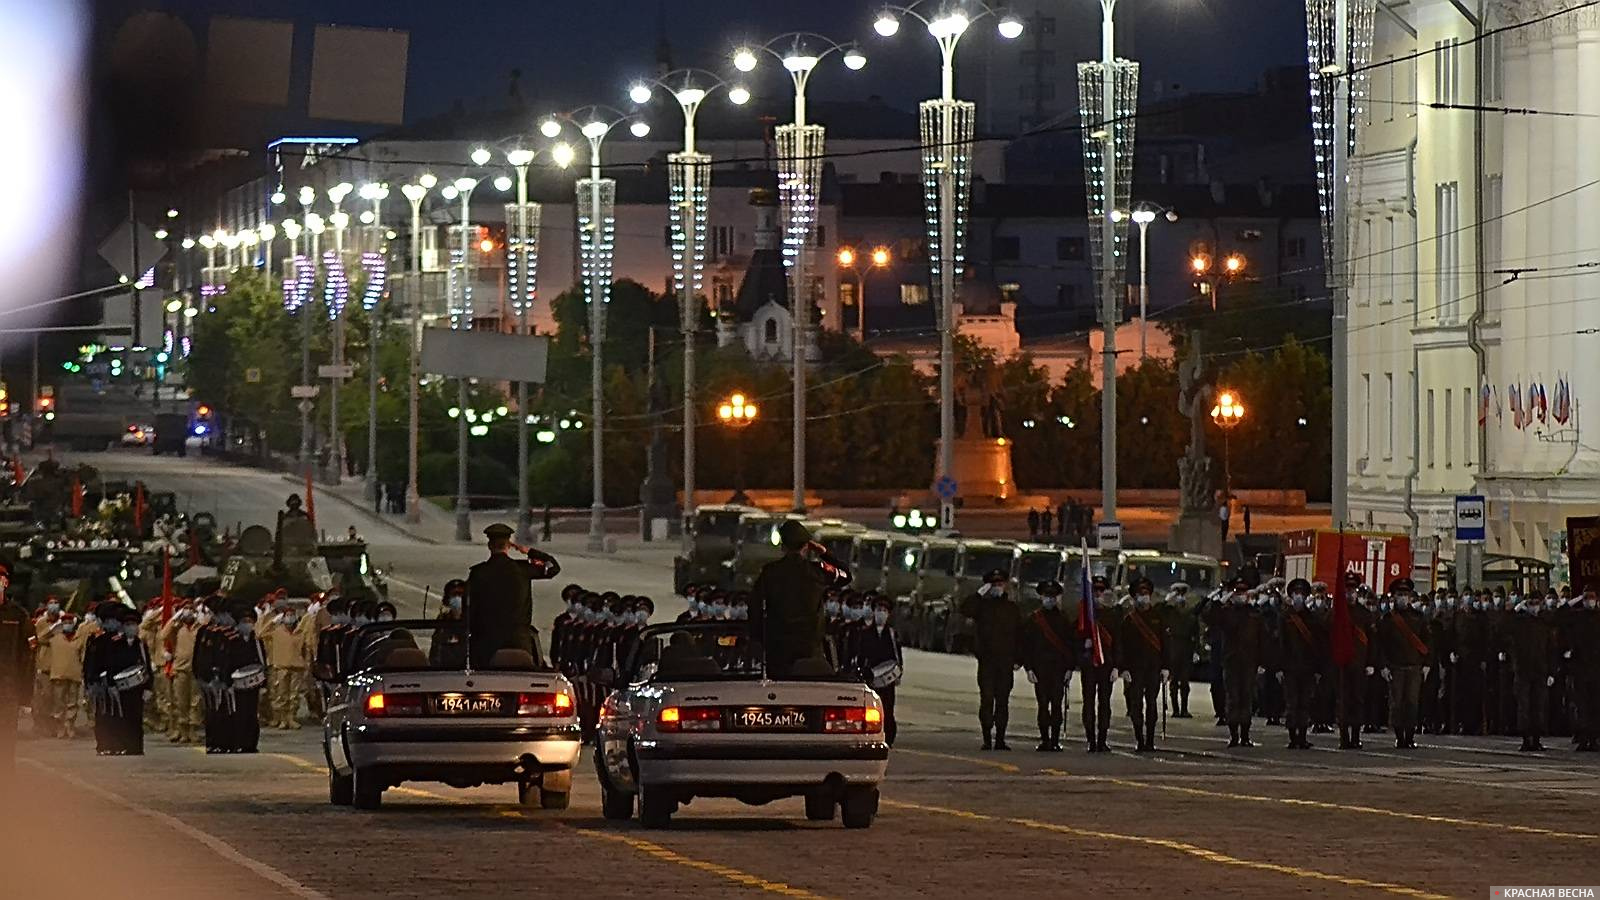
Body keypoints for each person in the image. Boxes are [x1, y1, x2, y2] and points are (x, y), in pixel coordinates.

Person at [748, 520, 851, 678]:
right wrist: (824, 553)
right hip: (810, 648)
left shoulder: (770, 573)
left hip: (777, 648)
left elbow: (754, 608)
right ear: (806, 546)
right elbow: (845, 576)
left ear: (783, 546)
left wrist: (758, 639)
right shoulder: (818, 572)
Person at [465, 523, 561, 669]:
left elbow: (470, 606)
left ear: (490, 545)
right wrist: (528, 551)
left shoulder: (479, 573)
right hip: (518, 639)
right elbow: (553, 567)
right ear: (508, 545)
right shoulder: (522, 569)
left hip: (486, 640)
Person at [960, 569, 1022, 751]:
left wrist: (1019, 659)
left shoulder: (1012, 609)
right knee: (987, 699)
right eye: (993, 585)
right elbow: (965, 609)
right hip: (987, 661)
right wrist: (980, 594)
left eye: (1000, 584)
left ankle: (1000, 739)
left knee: (1002, 701)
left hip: (1005, 662)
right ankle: (987, 738)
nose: (997, 588)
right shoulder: (982, 607)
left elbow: (1019, 635)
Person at [1204, 579, 1266, 748]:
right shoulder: (1226, 612)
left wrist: (1262, 662)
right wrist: (1218, 602)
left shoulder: (1254, 613)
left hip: (1249, 662)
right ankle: (1234, 735)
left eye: (1243, 593)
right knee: (1232, 698)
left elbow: (1262, 639)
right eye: (1237, 593)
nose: (1240, 596)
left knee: (1246, 698)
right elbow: (1208, 617)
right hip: (1231, 661)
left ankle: (1245, 735)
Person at [83, 603, 151, 756]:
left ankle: (122, 744)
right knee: (103, 714)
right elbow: (92, 661)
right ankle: (104, 744)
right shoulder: (98, 639)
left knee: (119, 715)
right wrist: (89, 682)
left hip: (121, 683)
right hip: (101, 682)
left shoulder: (128, 642)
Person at [1375, 578, 1430, 750]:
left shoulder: (1418, 617)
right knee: (1397, 703)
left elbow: (1428, 642)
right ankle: (1400, 737)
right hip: (1396, 667)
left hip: (1414, 667)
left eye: (1405, 595)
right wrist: (1383, 666)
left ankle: (1410, 736)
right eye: (1399, 595)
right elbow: (1380, 645)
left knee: (1412, 703)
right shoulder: (1387, 620)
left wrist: (1427, 664)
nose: (1403, 598)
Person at [1020, 580, 1075, 752]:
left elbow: (1070, 644)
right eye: (1047, 596)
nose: (1050, 600)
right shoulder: (1034, 619)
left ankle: (1055, 740)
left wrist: (1069, 668)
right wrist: (1028, 668)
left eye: (1052, 596)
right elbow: (1026, 645)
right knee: (1043, 705)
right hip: (1040, 668)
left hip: (1058, 668)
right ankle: (1045, 739)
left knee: (1057, 705)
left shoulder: (1064, 618)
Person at [1115, 578, 1166, 752]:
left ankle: (1150, 740)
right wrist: (1123, 668)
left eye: (1146, 594)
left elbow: (1166, 643)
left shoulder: (1159, 618)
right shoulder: (1129, 620)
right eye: (1140, 594)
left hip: (1153, 667)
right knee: (1136, 705)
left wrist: (1166, 667)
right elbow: (1122, 645)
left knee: (1152, 703)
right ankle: (1140, 739)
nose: (1144, 598)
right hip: (1135, 668)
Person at [1278, 578, 1323, 749]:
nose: (1299, 597)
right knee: (1292, 702)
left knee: (1305, 702)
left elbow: (1318, 644)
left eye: (1301, 594)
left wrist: (1318, 668)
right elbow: (1281, 644)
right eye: (1296, 594)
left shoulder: (1312, 618)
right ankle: (1292, 737)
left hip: (1308, 668)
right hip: (1290, 667)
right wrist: (1280, 667)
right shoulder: (1285, 617)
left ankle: (1302, 736)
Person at [1509, 591, 1557, 752]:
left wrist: (1551, 671)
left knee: (1538, 706)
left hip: (1540, 670)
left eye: (1536, 603)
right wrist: (1515, 610)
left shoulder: (1544, 624)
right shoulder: (1519, 623)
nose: (1534, 607)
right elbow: (1504, 627)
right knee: (1524, 705)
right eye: (1530, 603)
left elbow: (1551, 649)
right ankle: (1525, 738)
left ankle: (1536, 738)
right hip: (1523, 670)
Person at [853, 595, 902, 745]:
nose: (881, 613)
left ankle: (889, 737)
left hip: (887, 680)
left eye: (884, 610)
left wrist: (898, 673)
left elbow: (896, 656)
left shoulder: (892, 634)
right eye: (879, 610)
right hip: (871, 677)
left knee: (888, 709)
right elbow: (860, 654)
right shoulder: (865, 633)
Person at [1334, 575, 1377, 750]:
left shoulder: (1364, 614)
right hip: (1341, 664)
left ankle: (1356, 737)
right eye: (1347, 591)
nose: (1350, 594)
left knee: (1358, 700)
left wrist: (1371, 663)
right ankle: (1344, 737)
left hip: (1359, 664)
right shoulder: (1337, 612)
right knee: (1343, 700)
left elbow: (1373, 641)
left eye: (1352, 591)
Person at [1079, 575, 1117, 752]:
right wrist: (1083, 644)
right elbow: (1073, 638)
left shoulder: (1112, 615)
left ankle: (1102, 738)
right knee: (1088, 702)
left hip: (1106, 665)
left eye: (1101, 590)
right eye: (1095, 590)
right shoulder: (1084, 615)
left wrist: (1118, 666)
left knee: (1104, 703)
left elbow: (1118, 641)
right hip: (1089, 665)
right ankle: (1090, 739)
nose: (1098, 593)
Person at [0, 565, 30, 776]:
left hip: (7, 687)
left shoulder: (18, 615)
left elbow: (27, 656)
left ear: (5, 583)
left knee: (7, 735)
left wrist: (26, 695)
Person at [159, 601, 202, 743]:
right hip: (180, 669)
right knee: (180, 702)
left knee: (195, 702)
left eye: (191, 609)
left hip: (195, 669)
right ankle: (182, 731)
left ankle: (193, 730)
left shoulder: (199, 627)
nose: (188, 611)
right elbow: (163, 635)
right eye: (185, 609)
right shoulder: (177, 629)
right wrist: (175, 618)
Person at [262, 603, 308, 729]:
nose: (290, 617)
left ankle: (291, 718)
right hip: (281, 666)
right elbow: (260, 633)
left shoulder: (300, 632)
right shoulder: (277, 631)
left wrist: (305, 665)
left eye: (292, 615)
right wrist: (272, 621)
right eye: (287, 615)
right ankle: (282, 719)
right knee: (281, 695)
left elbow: (305, 650)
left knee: (294, 695)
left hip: (297, 667)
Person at [1565, 590, 1600, 751]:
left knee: (1595, 705)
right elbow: (1560, 614)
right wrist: (1576, 600)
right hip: (1581, 668)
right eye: (1587, 598)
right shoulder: (1578, 616)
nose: (1589, 601)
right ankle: (1584, 736)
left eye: (1592, 598)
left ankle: (1594, 737)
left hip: (1596, 668)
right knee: (1582, 705)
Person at [44, 613, 87, 738]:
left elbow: (83, 655)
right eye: (65, 622)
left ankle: (70, 726)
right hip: (59, 674)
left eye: (70, 622)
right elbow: (41, 638)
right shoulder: (55, 638)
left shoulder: (79, 638)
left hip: (74, 674)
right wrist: (53, 627)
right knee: (59, 703)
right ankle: (60, 727)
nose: (67, 624)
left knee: (72, 703)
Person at [430, 582, 469, 669]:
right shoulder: (443, 619)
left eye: (460, 595)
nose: (457, 598)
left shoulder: (473, 619)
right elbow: (436, 648)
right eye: (454, 595)